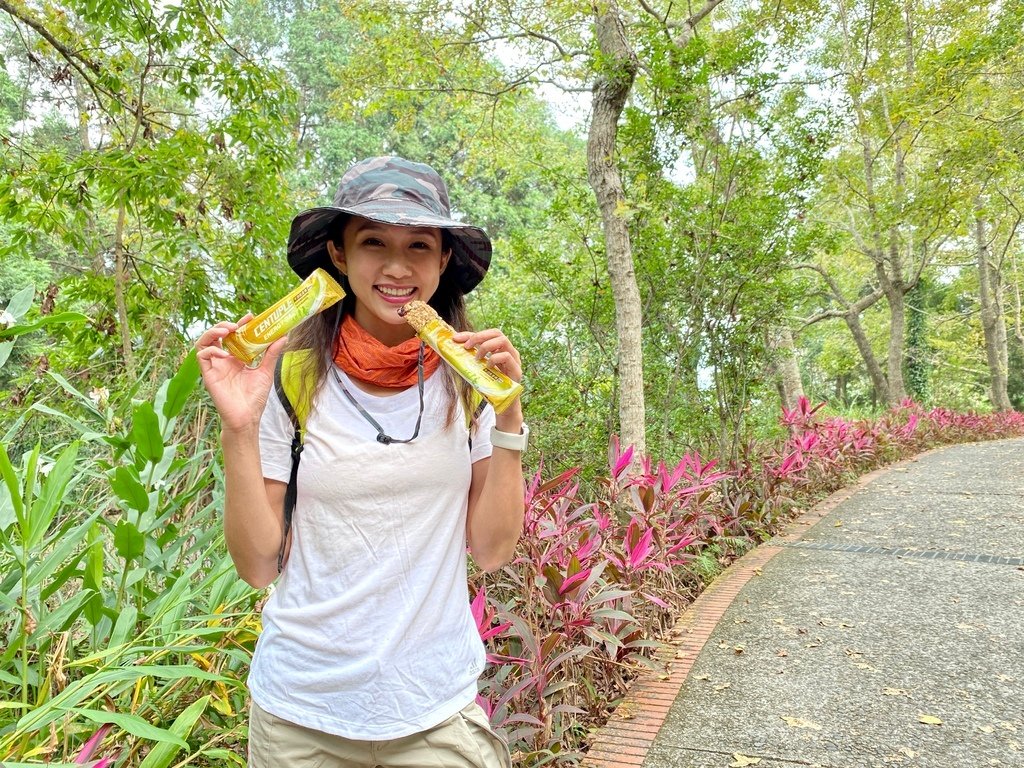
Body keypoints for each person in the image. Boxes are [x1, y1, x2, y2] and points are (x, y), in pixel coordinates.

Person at [195, 156, 525, 767]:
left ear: (444, 259)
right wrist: (239, 427)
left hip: (433, 708)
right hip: (303, 712)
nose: (398, 267)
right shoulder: (288, 376)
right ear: (339, 255)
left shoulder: (471, 379)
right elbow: (256, 564)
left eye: (420, 245)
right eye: (374, 241)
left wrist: (508, 417)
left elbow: (493, 549)